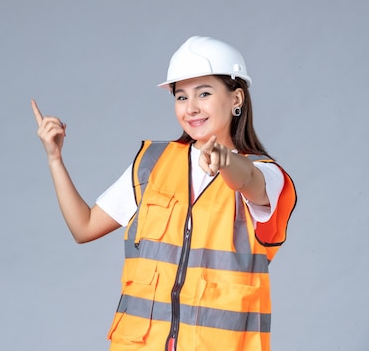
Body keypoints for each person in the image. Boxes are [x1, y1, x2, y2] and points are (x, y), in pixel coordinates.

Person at [31, 36, 297, 351]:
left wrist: (226, 161)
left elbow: (248, 180)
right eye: (181, 96)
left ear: (236, 98)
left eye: (205, 93)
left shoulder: (268, 175)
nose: (191, 107)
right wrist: (54, 159)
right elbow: (84, 227)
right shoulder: (150, 165)